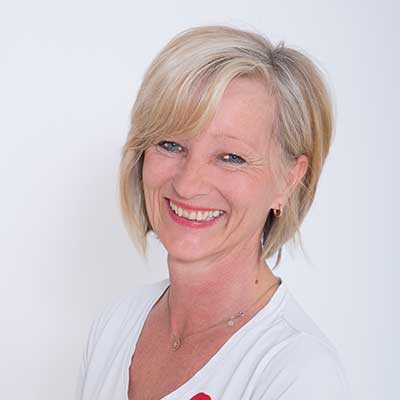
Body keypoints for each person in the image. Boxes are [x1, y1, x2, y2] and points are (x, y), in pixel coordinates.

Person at [76, 25, 350, 399]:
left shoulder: (298, 374)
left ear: (289, 180)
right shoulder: (115, 325)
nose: (188, 184)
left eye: (231, 157)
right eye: (170, 144)